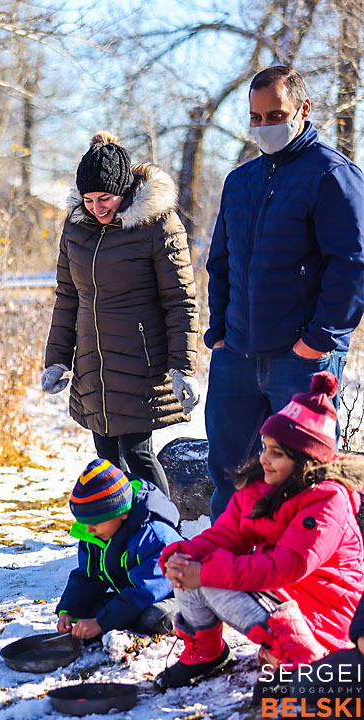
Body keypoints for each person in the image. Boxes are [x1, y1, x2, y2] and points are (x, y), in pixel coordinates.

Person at [205, 65, 364, 520]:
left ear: (303, 110)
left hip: (301, 359)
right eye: (255, 117)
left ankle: (301, 582)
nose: (264, 126)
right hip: (236, 355)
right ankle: (226, 573)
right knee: (231, 475)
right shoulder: (240, 181)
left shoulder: (332, 174)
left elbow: (351, 267)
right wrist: (219, 330)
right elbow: (220, 263)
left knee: (305, 481)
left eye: (275, 114)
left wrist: (317, 339)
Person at [157, 372, 364, 689]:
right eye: (265, 447)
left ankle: (304, 662)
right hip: (286, 599)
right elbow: (227, 535)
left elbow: (285, 566)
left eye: (277, 453)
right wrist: (185, 553)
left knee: (212, 578)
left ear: (307, 461)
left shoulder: (327, 501)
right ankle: (206, 654)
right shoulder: (262, 485)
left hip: (328, 616)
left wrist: (207, 571)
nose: (264, 458)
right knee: (191, 570)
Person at [42, 131, 200, 499]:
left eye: (106, 198)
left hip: (140, 361)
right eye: (89, 199)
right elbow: (68, 297)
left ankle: (163, 534)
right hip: (93, 362)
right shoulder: (76, 227)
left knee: (138, 454)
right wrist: (56, 361)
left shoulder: (157, 224)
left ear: (124, 191)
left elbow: (180, 301)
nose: (97, 208)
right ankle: (122, 538)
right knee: (107, 460)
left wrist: (182, 367)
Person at [56, 458, 182, 640]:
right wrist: (69, 610)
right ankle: (117, 620)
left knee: (154, 617)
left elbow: (146, 590)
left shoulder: (155, 536)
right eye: (85, 523)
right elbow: (88, 575)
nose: (89, 530)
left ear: (121, 512)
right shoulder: (98, 533)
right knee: (88, 610)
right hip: (133, 595)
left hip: (176, 596)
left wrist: (101, 623)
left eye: (95, 523)